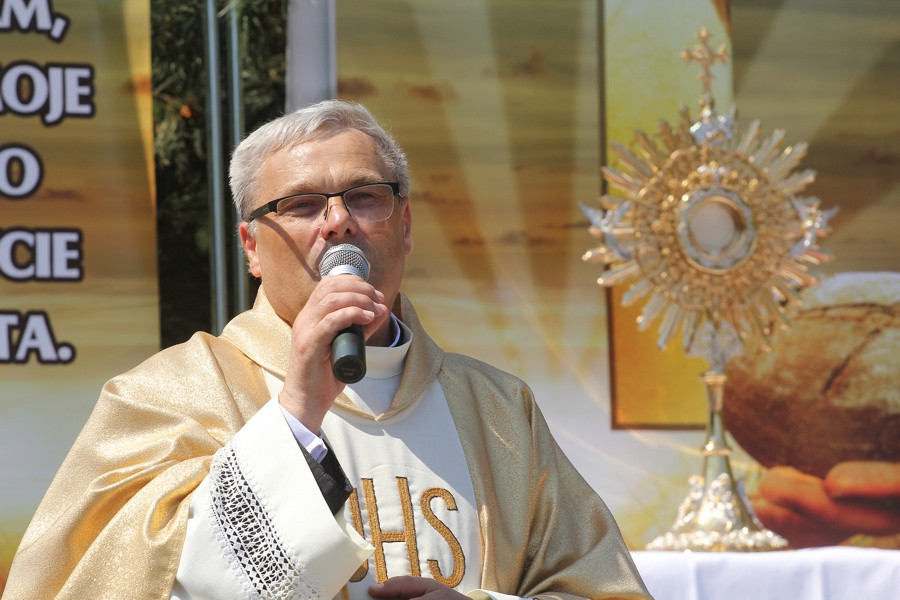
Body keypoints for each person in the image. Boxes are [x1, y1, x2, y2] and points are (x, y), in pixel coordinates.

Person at [4, 100, 652, 600]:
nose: (337, 221)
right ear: (252, 248)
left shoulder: (498, 413)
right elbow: (115, 579)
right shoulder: (165, 396)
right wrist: (295, 416)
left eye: (364, 196)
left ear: (405, 226)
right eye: (303, 204)